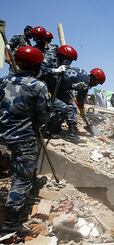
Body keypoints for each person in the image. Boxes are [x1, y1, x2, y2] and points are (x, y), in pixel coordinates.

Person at [0, 47, 50, 238]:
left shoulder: (3, 81)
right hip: (23, 139)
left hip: (2, 135)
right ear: (37, 64)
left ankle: (30, 189)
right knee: (21, 181)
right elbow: (43, 116)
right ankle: (10, 227)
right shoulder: (38, 86)